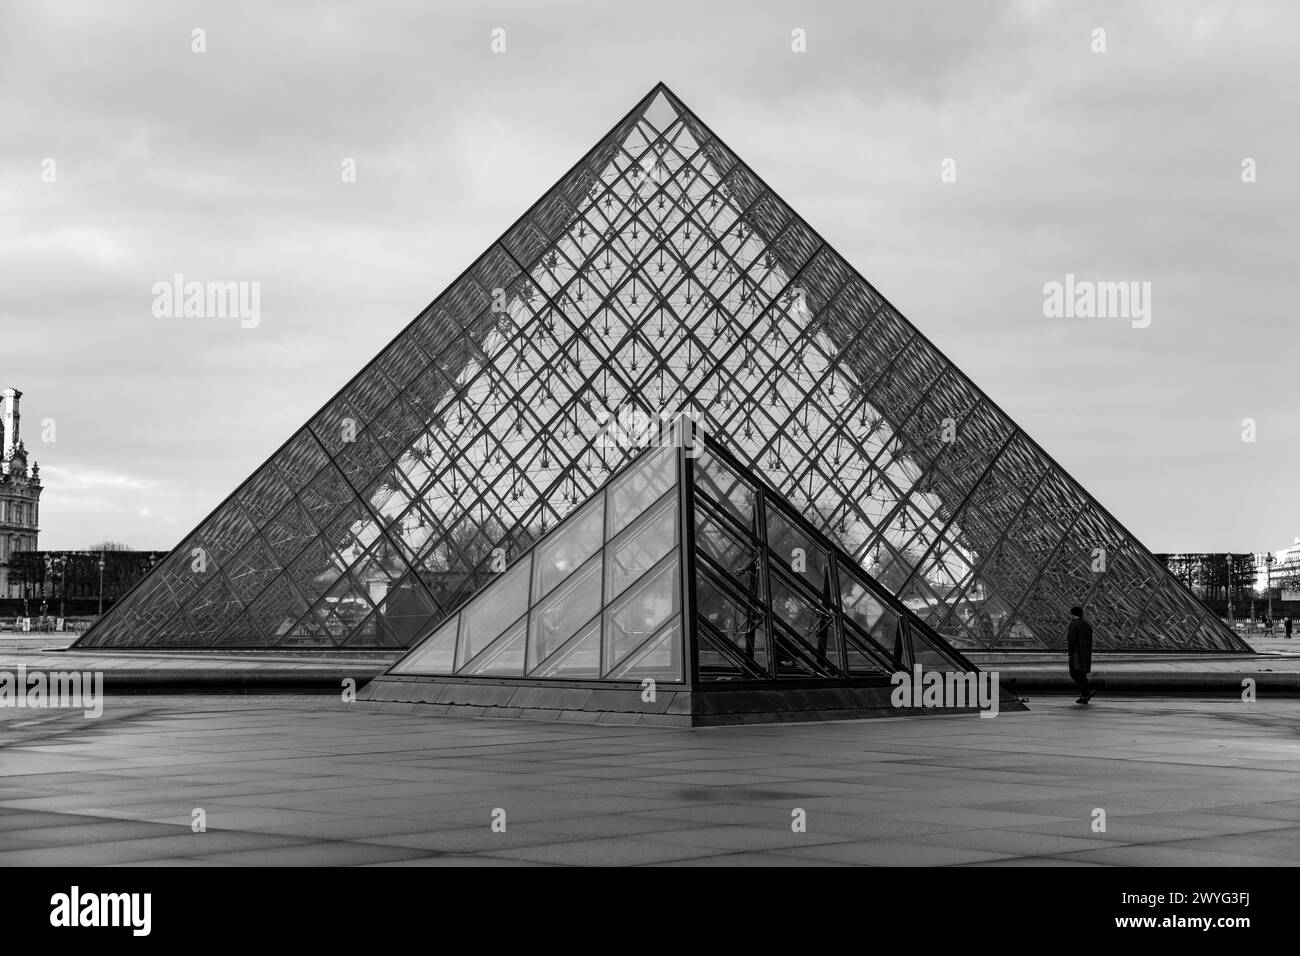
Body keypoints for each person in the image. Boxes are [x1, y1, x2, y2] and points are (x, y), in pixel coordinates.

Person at [1067, 605, 1094, 704]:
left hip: (1076, 654)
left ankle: (1086, 692)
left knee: (1075, 673)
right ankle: (1085, 694)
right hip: (1086, 654)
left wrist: (1070, 653)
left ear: (1072, 614)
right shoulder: (1087, 624)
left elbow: (1071, 640)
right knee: (1082, 674)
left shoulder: (1074, 624)